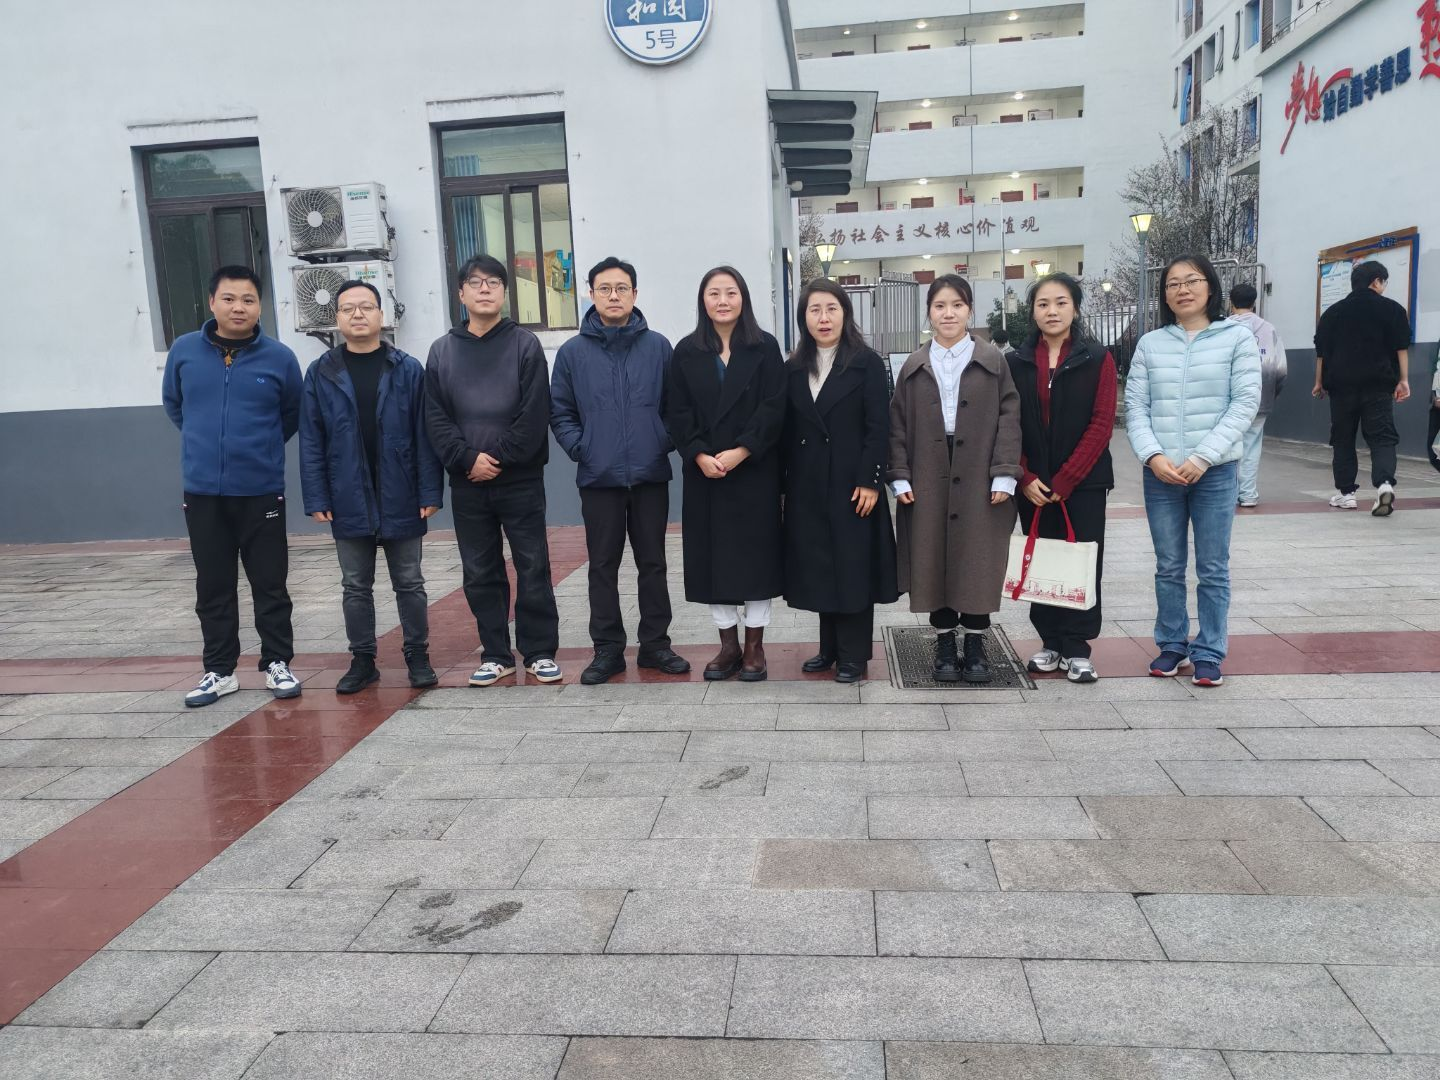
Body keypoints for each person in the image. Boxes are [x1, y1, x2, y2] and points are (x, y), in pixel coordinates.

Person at [161, 266, 303, 707]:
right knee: (213, 586)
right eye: (228, 298)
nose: (238, 307)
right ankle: (220, 670)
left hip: (260, 490)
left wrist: (257, 449)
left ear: (259, 306)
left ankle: (277, 662)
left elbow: (291, 414)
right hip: (203, 492)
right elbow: (175, 405)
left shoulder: (279, 358)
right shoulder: (185, 351)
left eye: (247, 299)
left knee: (270, 583)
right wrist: (206, 447)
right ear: (212, 302)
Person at [550, 257, 691, 685]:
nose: (614, 296)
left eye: (622, 288)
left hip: (650, 474)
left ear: (635, 293)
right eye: (605, 288)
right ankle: (608, 649)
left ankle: (656, 645)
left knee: (653, 563)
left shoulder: (659, 347)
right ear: (591, 293)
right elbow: (561, 411)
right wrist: (582, 448)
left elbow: (676, 407)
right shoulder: (572, 353)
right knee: (602, 566)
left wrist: (660, 440)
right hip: (599, 477)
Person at [424, 255, 562, 687]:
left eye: (493, 282)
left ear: (505, 292)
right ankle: (496, 653)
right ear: (461, 293)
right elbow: (435, 417)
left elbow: (534, 413)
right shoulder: (442, 351)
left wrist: (495, 458)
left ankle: (539, 652)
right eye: (475, 282)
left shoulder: (524, 345)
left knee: (532, 565)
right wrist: (467, 459)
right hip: (468, 483)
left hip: (520, 480)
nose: (484, 289)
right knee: (480, 570)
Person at [300, 279, 443, 693]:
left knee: (410, 582)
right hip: (347, 494)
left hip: (401, 492)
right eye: (348, 308)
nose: (358, 314)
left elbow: (425, 434)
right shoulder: (322, 372)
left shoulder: (407, 369)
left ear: (382, 315)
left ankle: (417, 655)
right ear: (337, 318)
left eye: (366, 306)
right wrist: (317, 495)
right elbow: (312, 439)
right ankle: (362, 660)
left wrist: (429, 491)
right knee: (354, 585)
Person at [1126, 254, 1260, 688]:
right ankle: (1171, 644)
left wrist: (1203, 457)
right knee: (1168, 565)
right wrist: (1153, 456)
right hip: (1161, 472)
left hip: (1215, 472)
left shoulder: (1236, 338)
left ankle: (1209, 651)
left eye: (1192, 281)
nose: (1182, 290)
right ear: (1164, 295)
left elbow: (1244, 403)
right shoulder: (1150, 344)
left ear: (1210, 287)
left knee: (1213, 567)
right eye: (1173, 284)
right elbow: (1136, 406)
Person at [889, 274, 1022, 684]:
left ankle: (977, 642)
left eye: (957, 305)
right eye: (940, 306)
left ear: (969, 310)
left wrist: (1004, 473)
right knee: (932, 555)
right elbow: (896, 425)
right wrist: (900, 475)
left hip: (979, 467)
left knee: (977, 555)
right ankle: (945, 641)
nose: (948, 313)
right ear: (929, 313)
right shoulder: (913, 365)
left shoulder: (992, 360)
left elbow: (1009, 417)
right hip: (927, 468)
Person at [665, 266, 786, 682]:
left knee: (756, 559)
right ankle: (727, 645)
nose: (722, 301)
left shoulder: (765, 347)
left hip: (754, 469)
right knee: (712, 558)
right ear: (703, 300)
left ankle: (754, 646)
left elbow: (775, 406)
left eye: (730, 292)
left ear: (743, 298)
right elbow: (677, 410)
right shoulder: (686, 351)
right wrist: (699, 454)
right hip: (706, 473)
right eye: (714, 293)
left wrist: (743, 450)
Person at [781, 280, 899, 684]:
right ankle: (829, 648)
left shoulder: (866, 362)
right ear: (804, 318)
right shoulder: (794, 367)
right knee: (820, 565)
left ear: (845, 314)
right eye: (814, 310)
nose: (824, 318)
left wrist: (871, 480)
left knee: (852, 566)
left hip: (853, 483)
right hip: (808, 483)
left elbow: (878, 426)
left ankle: (854, 654)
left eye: (831, 308)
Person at [1010, 273, 1118, 683]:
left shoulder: (1097, 358)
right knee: (1042, 560)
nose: (1051, 311)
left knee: (1082, 560)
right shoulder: (1016, 362)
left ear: (1075, 307)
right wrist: (1025, 475)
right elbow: (1008, 424)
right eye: (1043, 304)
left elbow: (1102, 423)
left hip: (1083, 484)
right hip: (1033, 485)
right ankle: (1050, 642)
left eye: (1060, 302)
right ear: (1032, 312)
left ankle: (1077, 647)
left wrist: (1067, 479)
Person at [1313, 260, 1413, 516]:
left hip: (1341, 386)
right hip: (1378, 385)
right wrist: (1403, 379)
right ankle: (1385, 485)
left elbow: (1321, 352)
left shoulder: (1333, 312)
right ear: (1376, 281)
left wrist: (1318, 382)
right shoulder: (1393, 309)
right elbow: (1401, 347)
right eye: (1384, 282)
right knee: (1382, 437)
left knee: (1343, 438)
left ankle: (1346, 494)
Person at [1227, 283, 1287, 508]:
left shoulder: (1222, 328)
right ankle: (1248, 494)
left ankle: (1229, 493)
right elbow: (1281, 369)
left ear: (1231, 303)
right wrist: (1271, 394)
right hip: (1261, 398)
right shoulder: (1269, 329)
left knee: (1228, 446)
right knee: (1252, 446)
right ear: (1254, 303)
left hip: (1228, 400)